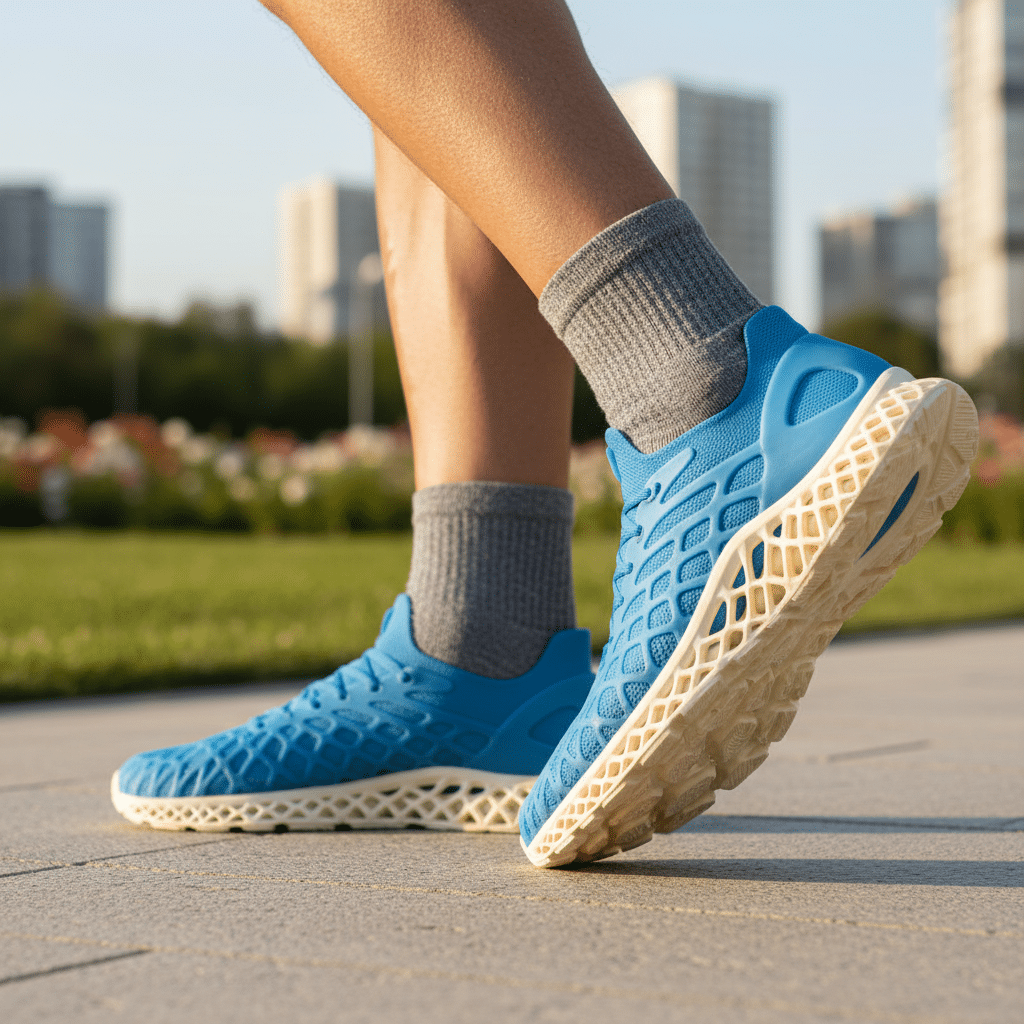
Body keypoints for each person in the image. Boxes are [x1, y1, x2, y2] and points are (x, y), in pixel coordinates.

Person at [111, 0, 978, 867]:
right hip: (486, 661)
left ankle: (700, 389)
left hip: (709, 394)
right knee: (437, 87)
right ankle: (483, 643)